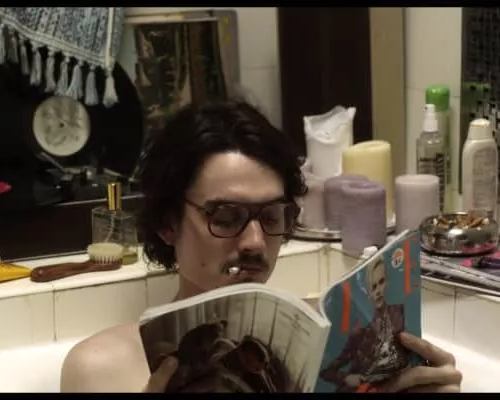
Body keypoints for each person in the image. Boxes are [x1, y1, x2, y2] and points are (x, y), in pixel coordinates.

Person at [60, 99, 463, 393]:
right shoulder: (103, 369)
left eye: (270, 217)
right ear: (168, 223)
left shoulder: (330, 340)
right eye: (225, 217)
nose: (255, 242)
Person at [319, 258, 410, 392]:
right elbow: (326, 372)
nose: (378, 291)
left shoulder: (398, 313)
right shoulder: (359, 335)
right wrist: (345, 378)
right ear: (368, 294)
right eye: (373, 287)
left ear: (387, 282)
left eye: (381, 282)